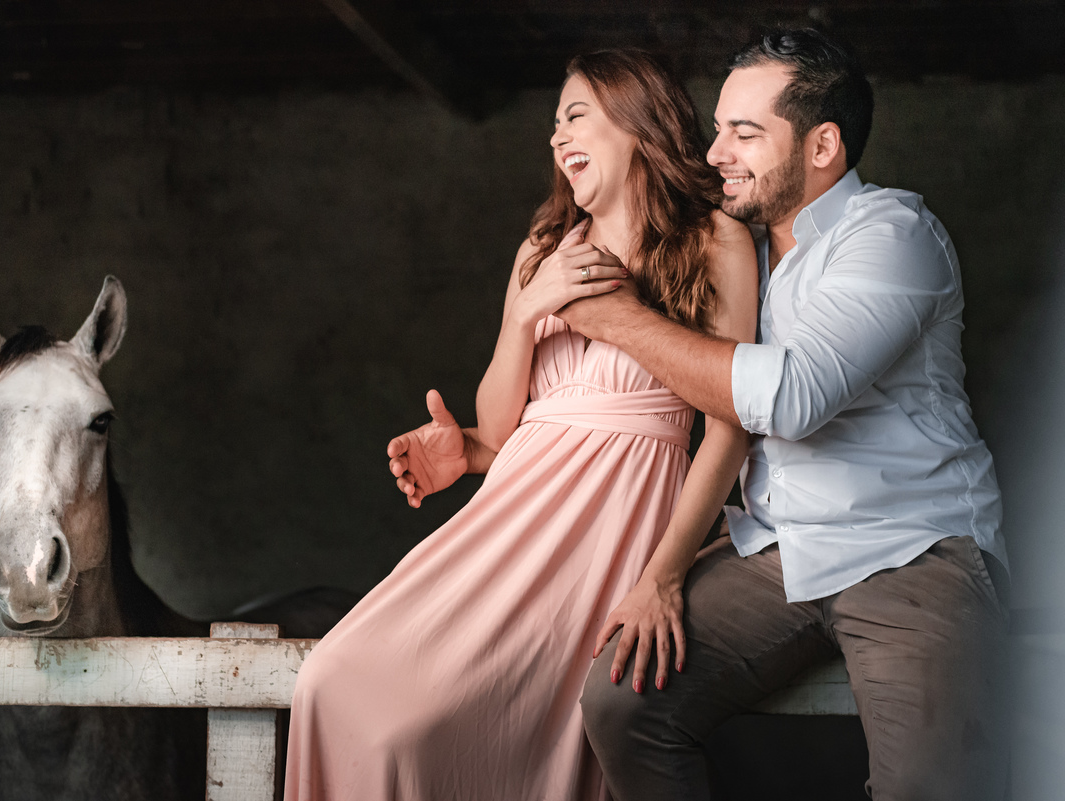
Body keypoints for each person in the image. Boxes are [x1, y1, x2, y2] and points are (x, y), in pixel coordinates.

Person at [389, 29, 1010, 801]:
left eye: (745, 134)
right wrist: (489, 450)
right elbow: (644, 416)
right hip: (771, 551)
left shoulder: (892, 235)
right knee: (621, 702)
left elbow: (790, 398)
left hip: (909, 550)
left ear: (822, 146)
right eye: (718, 129)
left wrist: (613, 317)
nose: (716, 152)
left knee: (926, 788)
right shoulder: (732, 248)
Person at [283, 50, 758, 801]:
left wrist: (663, 575)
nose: (555, 137)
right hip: (509, 517)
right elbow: (498, 423)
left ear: (637, 122)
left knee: (445, 730)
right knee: (333, 679)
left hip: (613, 530)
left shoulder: (714, 244)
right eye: (553, 123)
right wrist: (523, 310)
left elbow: (729, 430)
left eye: (574, 115)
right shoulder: (543, 247)